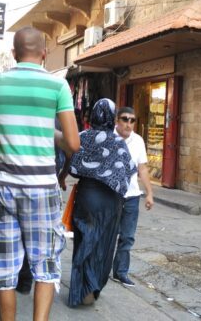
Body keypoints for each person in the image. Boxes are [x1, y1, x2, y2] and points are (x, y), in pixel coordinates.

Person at [0, 26, 80, 321]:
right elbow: (73, 143)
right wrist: (48, 135)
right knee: (44, 263)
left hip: (3, 186)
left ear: (14, 54)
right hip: (42, 186)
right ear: (44, 54)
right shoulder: (58, 86)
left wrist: (4, 137)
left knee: (4, 264)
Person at [60, 98, 137, 307]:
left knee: (85, 241)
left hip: (86, 196)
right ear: (112, 118)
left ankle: (81, 288)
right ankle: (93, 286)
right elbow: (128, 171)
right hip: (110, 201)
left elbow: (71, 164)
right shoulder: (118, 142)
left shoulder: (82, 137)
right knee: (104, 243)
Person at [111, 107, 154, 287]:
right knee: (108, 234)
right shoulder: (108, 137)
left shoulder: (138, 141)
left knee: (127, 236)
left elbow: (142, 168)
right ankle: (101, 268)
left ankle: (120, 272)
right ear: (116, 120)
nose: (128, 124)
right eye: (125, 119)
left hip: (132, 195)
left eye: (132, 120)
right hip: (111, 194)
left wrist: (149, 193)